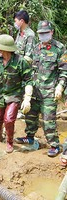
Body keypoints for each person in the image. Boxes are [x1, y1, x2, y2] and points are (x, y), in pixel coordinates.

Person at [15, 21, 67, 157]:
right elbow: (29, 68)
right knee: (30, 116)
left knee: (48, 119)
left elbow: (64, 71)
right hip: (35, 90)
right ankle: (30, 138)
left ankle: (55, 145)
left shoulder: (60, 48)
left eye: (45, 33)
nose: (43, 36)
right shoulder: (36, 48)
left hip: (50, 91)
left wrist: (60, 86)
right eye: (40, 34)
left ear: (51, 32)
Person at [0, 34, 33, 153]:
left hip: (14, 96)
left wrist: (27, 98)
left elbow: (28, 80)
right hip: (0, 96)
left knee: (8, 119)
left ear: (4, 49)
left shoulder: (20, 62)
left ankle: (9, 142)